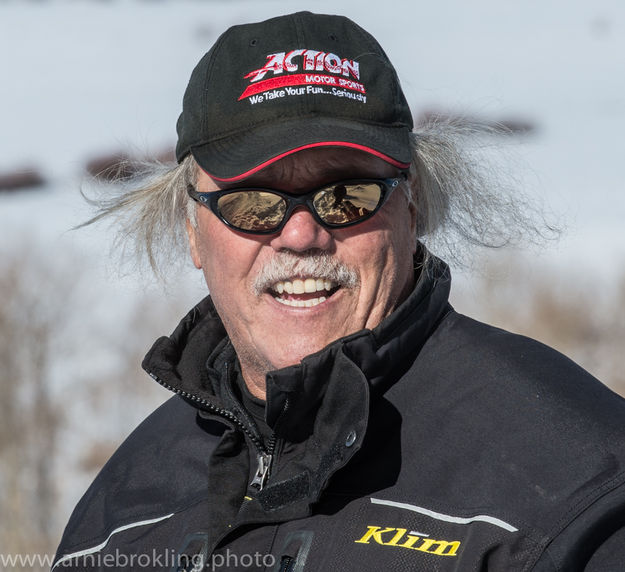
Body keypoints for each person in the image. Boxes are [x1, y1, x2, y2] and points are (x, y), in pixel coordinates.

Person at [53, 11, 625, 572]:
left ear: (414, 203)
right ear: (193, 232)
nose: (302, 235)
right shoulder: (117, 510)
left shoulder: (576, 484)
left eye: (347, 194)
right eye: (253, 203)